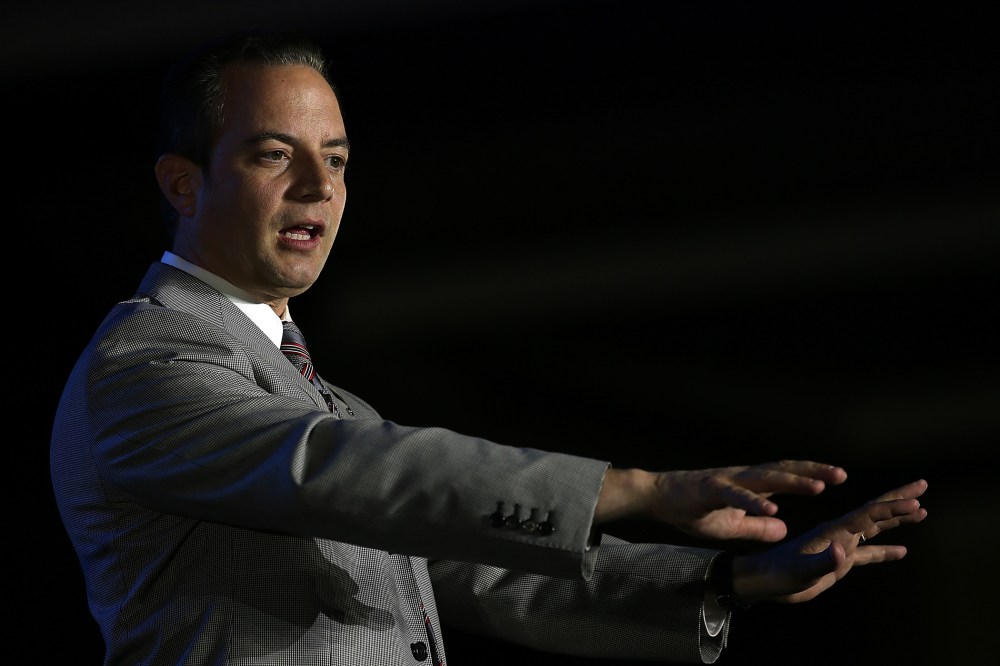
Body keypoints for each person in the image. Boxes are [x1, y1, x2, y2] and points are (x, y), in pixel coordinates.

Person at [49, 31, 928, 665]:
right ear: (182, 182)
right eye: (276, 155)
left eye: (339, 158)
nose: (321, 185)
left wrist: (729, 580)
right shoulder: (147, 364)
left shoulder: (326, 397)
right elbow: (347, 470)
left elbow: (476, 563)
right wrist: (638, 491)